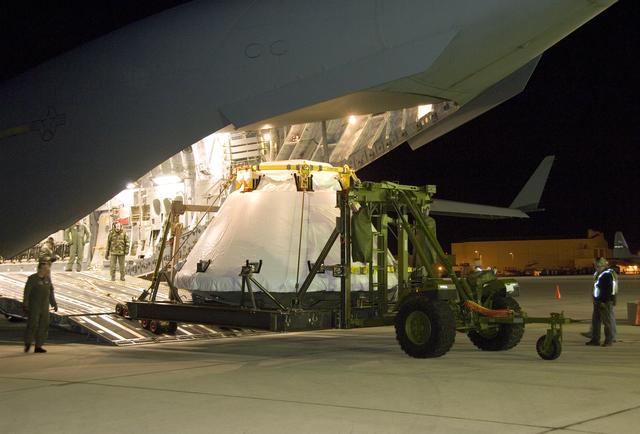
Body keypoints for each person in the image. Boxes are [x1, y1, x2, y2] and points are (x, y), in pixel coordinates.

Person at [23, 262, 58, 353]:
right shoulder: (32, 279)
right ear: (40, 269)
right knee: (33, 324)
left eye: (48, 269)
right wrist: (25, 304)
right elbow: (27, 292)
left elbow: (51, 292)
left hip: (44, 305)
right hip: (34, 305)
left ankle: (38, 346)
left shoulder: (48, 279)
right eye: (46, 269)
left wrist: (54, 303)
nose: (48, 271)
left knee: (44, 324)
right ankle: (28, 342)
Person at [581, 261, 619, 342]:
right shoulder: (599, 273)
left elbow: (609, 290)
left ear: (604, 266)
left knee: (608, 320)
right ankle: (595, 338)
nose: (596, 268)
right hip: (598, 300)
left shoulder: (608, 275)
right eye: (595, 266)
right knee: (596, 320)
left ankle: (610, 338)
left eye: (598, 266)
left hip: (605, 301)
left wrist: (604, 301)